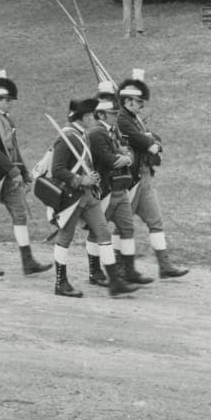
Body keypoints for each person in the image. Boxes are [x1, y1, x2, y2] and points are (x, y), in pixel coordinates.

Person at [48, 98, 139, 298]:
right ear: (84, 117)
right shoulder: (67, 137)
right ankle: (60, 282)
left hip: (90, 196)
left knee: (103, 233)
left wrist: (92, 178)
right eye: (90, 115)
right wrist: (81, 180)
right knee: (65, 237)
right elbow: (57, 170)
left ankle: (114, 281)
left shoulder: (83, 136)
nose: (93, 118)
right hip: (73, 197)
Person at [0, 71, 53, 277]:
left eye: (8, 100)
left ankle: (28, 261)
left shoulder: (8, 121)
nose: (8, 103)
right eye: (3, 99)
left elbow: (13, 149)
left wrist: (24, 173)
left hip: (9, 175)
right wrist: (13, 170)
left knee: (20, 214)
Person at [115, 70, 189, 278]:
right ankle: (119, 265)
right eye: (139, 102)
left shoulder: (134, 119)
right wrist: (149, 141)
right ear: (128, 101)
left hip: (145, 176)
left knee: (156, 221)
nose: (142, 106)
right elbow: (142, 140)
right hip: (132, 180)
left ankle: (164, 265)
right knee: (123, 224)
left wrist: (150, 140)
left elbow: (153, 139)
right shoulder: (122, 120)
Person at [82, 83, 153, 287]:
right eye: (111, 114)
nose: (115, 116)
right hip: (105, 189)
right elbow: (108, 159)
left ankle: (129, 270)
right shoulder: (97, 133)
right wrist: (122, 157)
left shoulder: (112, 131)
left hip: (119, 188)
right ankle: (95, 272)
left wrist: (124, 157)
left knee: (127, 227)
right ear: (101, 115)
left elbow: (127, 152)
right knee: (97, 231)